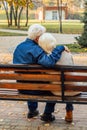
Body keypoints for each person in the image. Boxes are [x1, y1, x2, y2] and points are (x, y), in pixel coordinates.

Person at [13, 24, 69, 122]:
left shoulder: (19, 47)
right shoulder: (36, 49)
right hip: (36, 88)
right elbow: (49, 63)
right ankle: (47, 114)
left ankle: (32, 110)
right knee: (53, 87)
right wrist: (59, 48)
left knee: (30, 81)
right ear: (38, 37)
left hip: (22, 87)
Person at [38, 32, 74, 122]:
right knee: (67, 84)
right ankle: (69, 112)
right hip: (72, 89)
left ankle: (48, 113)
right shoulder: (68, 54)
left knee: (53, 86)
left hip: (55, 90)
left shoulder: (46, 59)